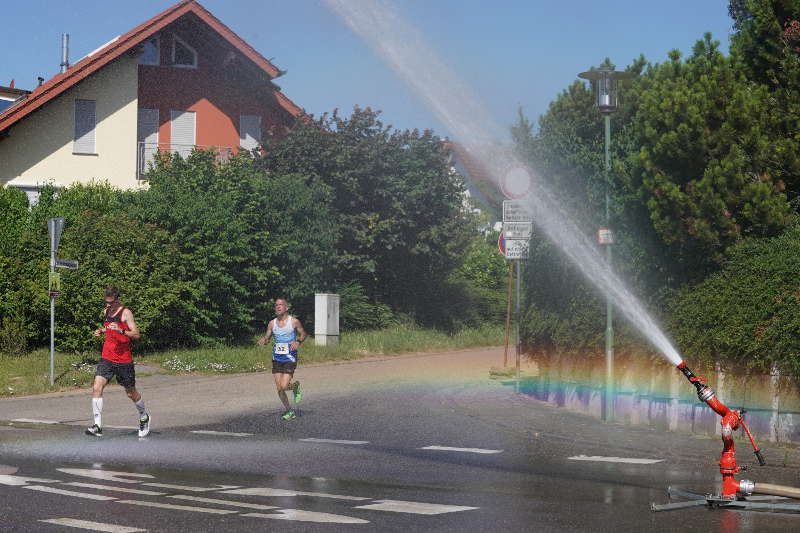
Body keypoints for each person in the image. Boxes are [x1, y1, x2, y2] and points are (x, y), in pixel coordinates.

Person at [85, 286, 151, 438]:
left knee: (130, 393)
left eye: (110, 303)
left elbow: (136, 334)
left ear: (117, 299)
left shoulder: (126, 313)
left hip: (123, 360)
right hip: (107, 357)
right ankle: (97, 426)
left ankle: (144, 416)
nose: (107, 305)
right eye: (106, 302)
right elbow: (109, 328)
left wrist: (121, 330)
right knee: (96, 387)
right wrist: (101, 331)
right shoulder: (106, 311)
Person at [257, 298, 306, 420]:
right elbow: (267, 338)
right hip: (277, 357)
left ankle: (294, 386)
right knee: (279, 388)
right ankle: (289, 411)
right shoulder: (272, 323)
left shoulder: (293, 322)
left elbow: (303, 333)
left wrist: (298, 342)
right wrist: (264, 340)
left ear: (286, 308)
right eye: (276, 305)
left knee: (284, 386)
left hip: (290, 357)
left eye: (281, 305)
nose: (278, 307)